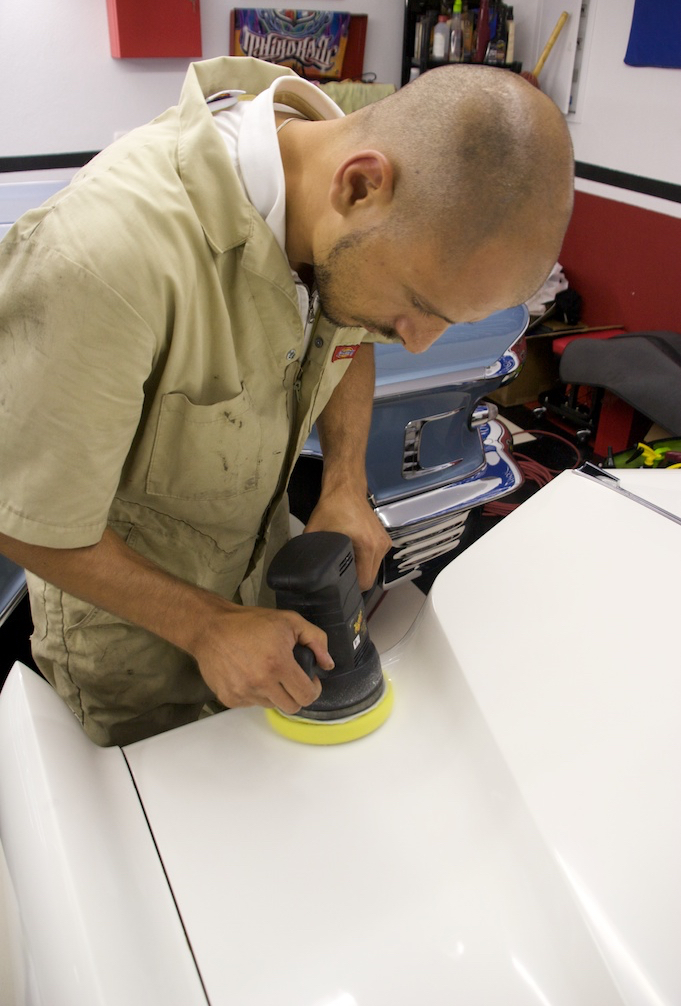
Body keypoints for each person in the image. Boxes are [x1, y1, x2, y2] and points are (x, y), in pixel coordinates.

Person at [0, 57, 573, 746]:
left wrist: (344, 484)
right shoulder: (100, 259)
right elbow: (23, 515)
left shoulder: (341, 222)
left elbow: (346, 330)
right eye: (418, 308)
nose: (417, 345)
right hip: (135, 660)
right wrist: (205, 625)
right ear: (360, 184)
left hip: (262, 607)